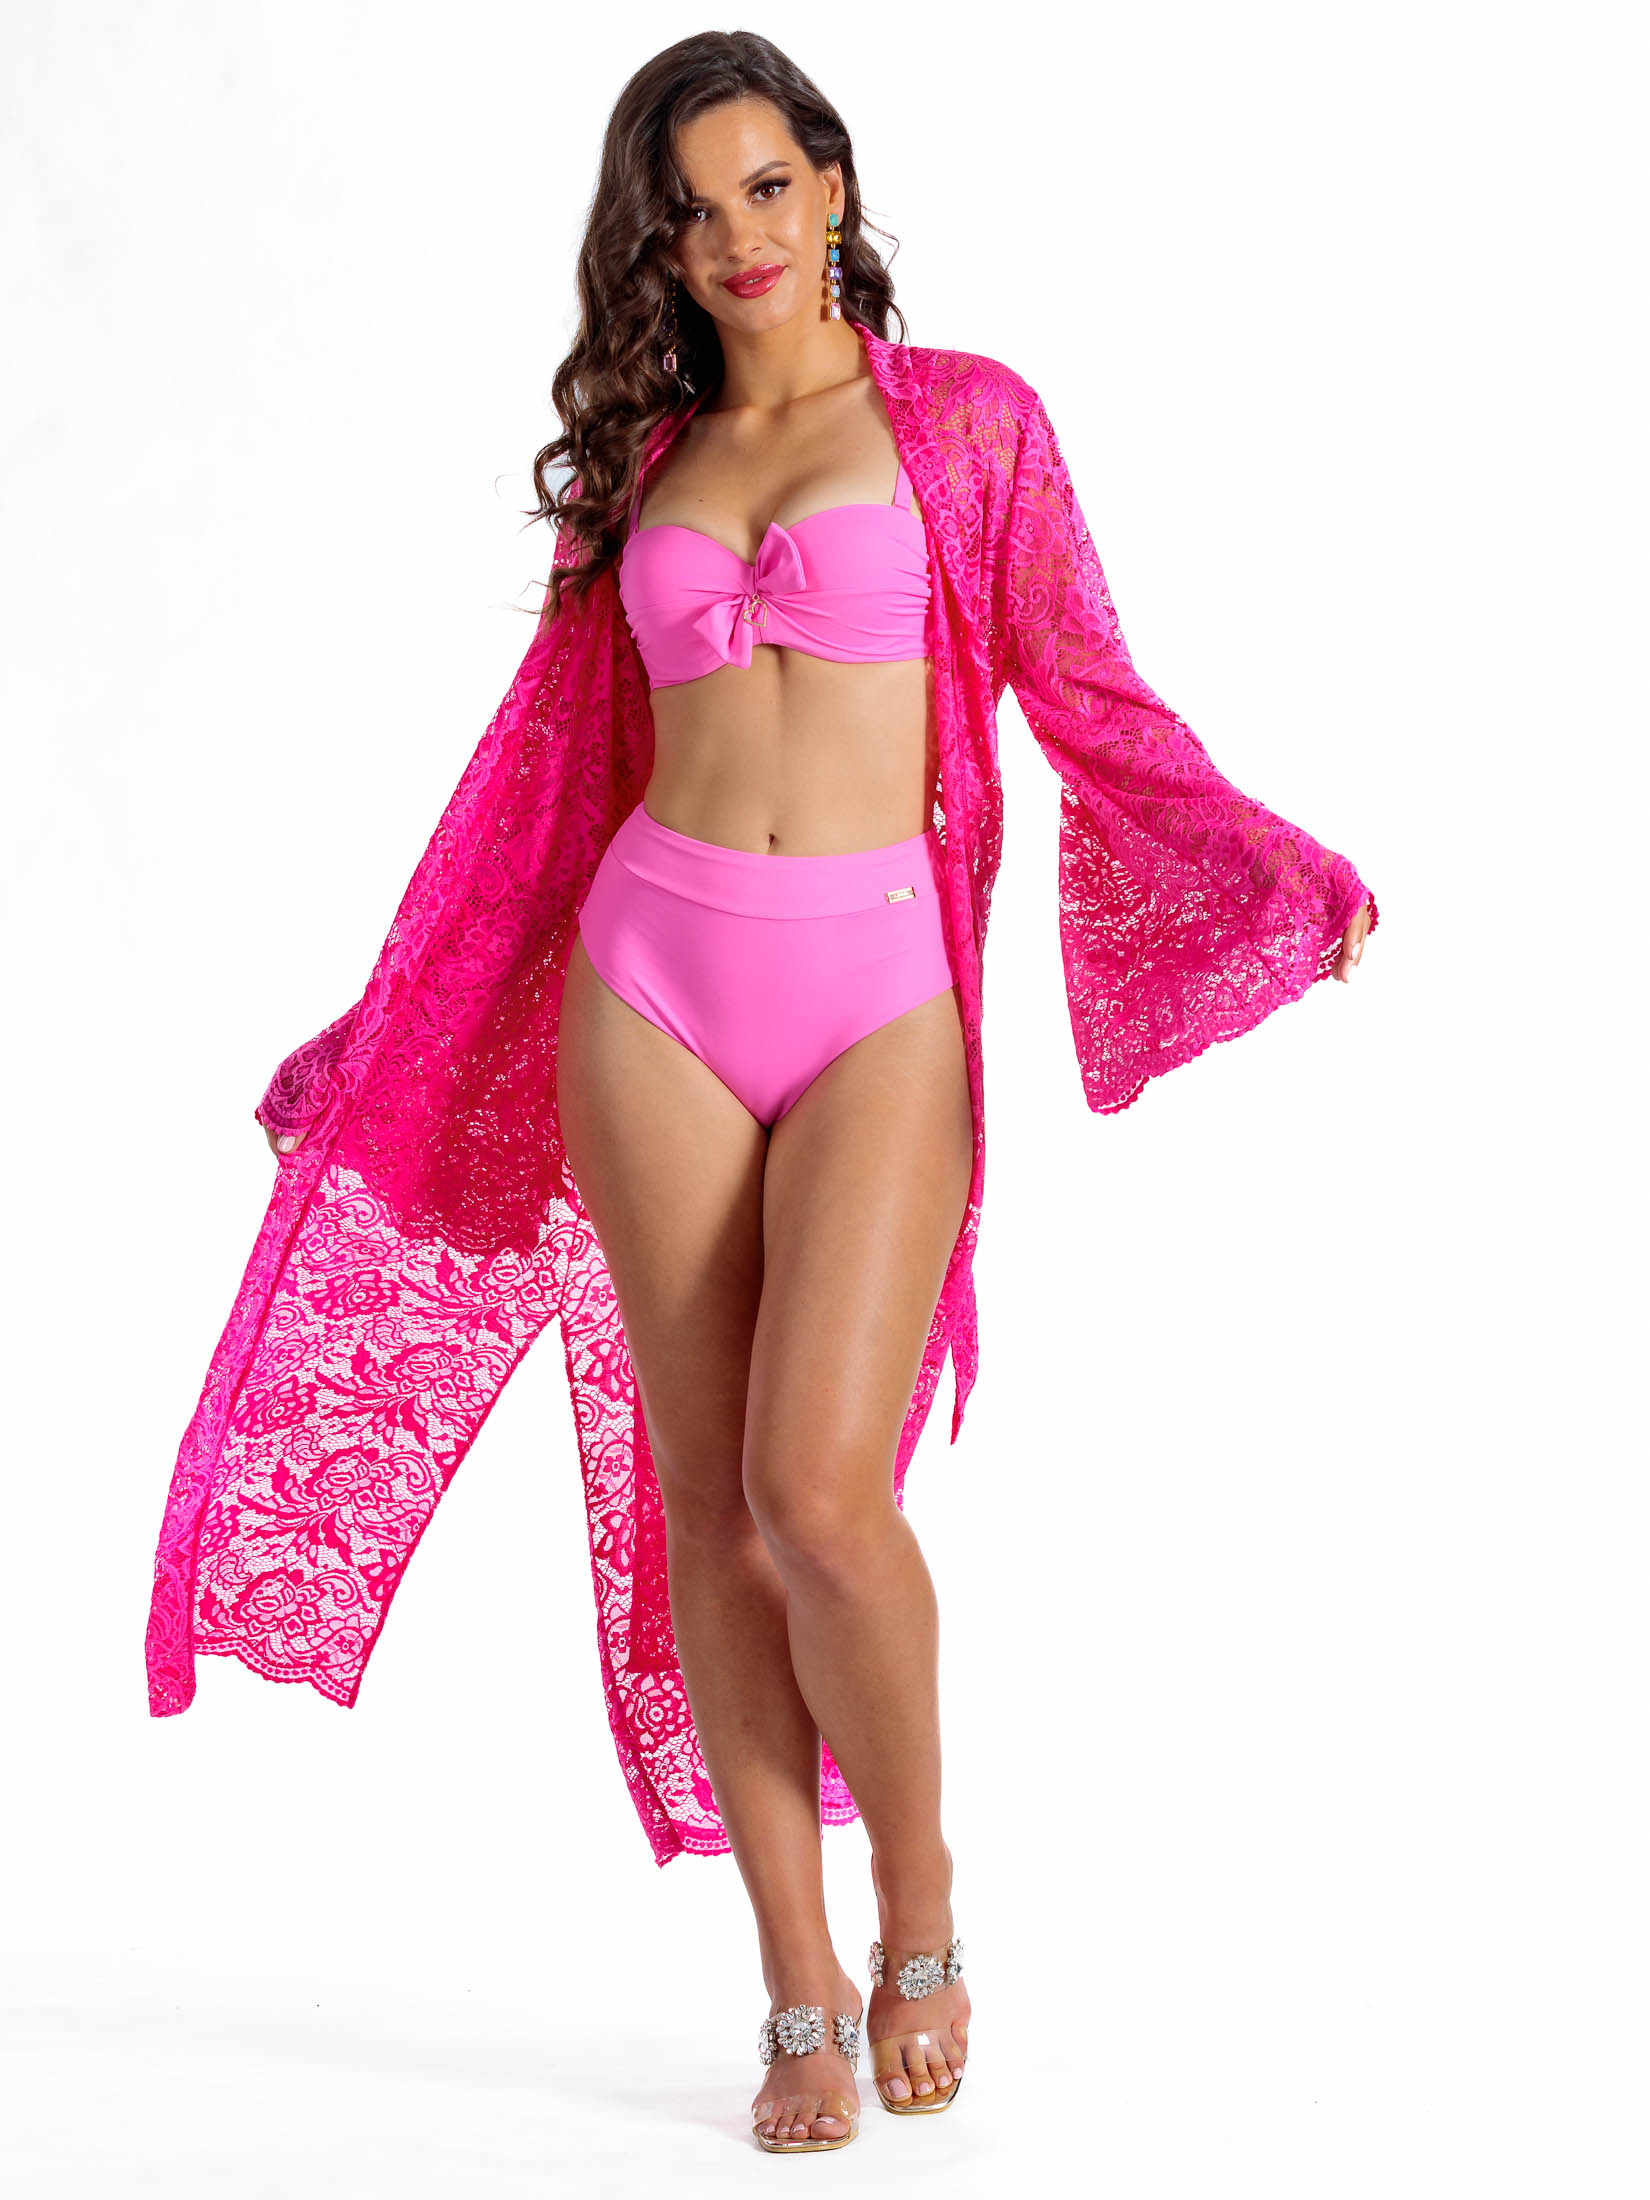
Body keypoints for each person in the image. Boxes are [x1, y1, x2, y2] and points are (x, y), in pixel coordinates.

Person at [144, 29, 1375, 2160]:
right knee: (706, 1507)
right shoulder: (644, 467)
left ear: (832, 185)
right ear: (657, 242)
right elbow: (541, 789)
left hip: (878, 985)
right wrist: (384, 1031)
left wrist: (1262, 858)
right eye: (693, 210)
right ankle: (795, 1977)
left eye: (768, 188)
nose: (737, 237)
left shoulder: (966, 423)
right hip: (652, 982)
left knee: (819, 1488)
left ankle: (922, 1902)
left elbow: (1084, 687)